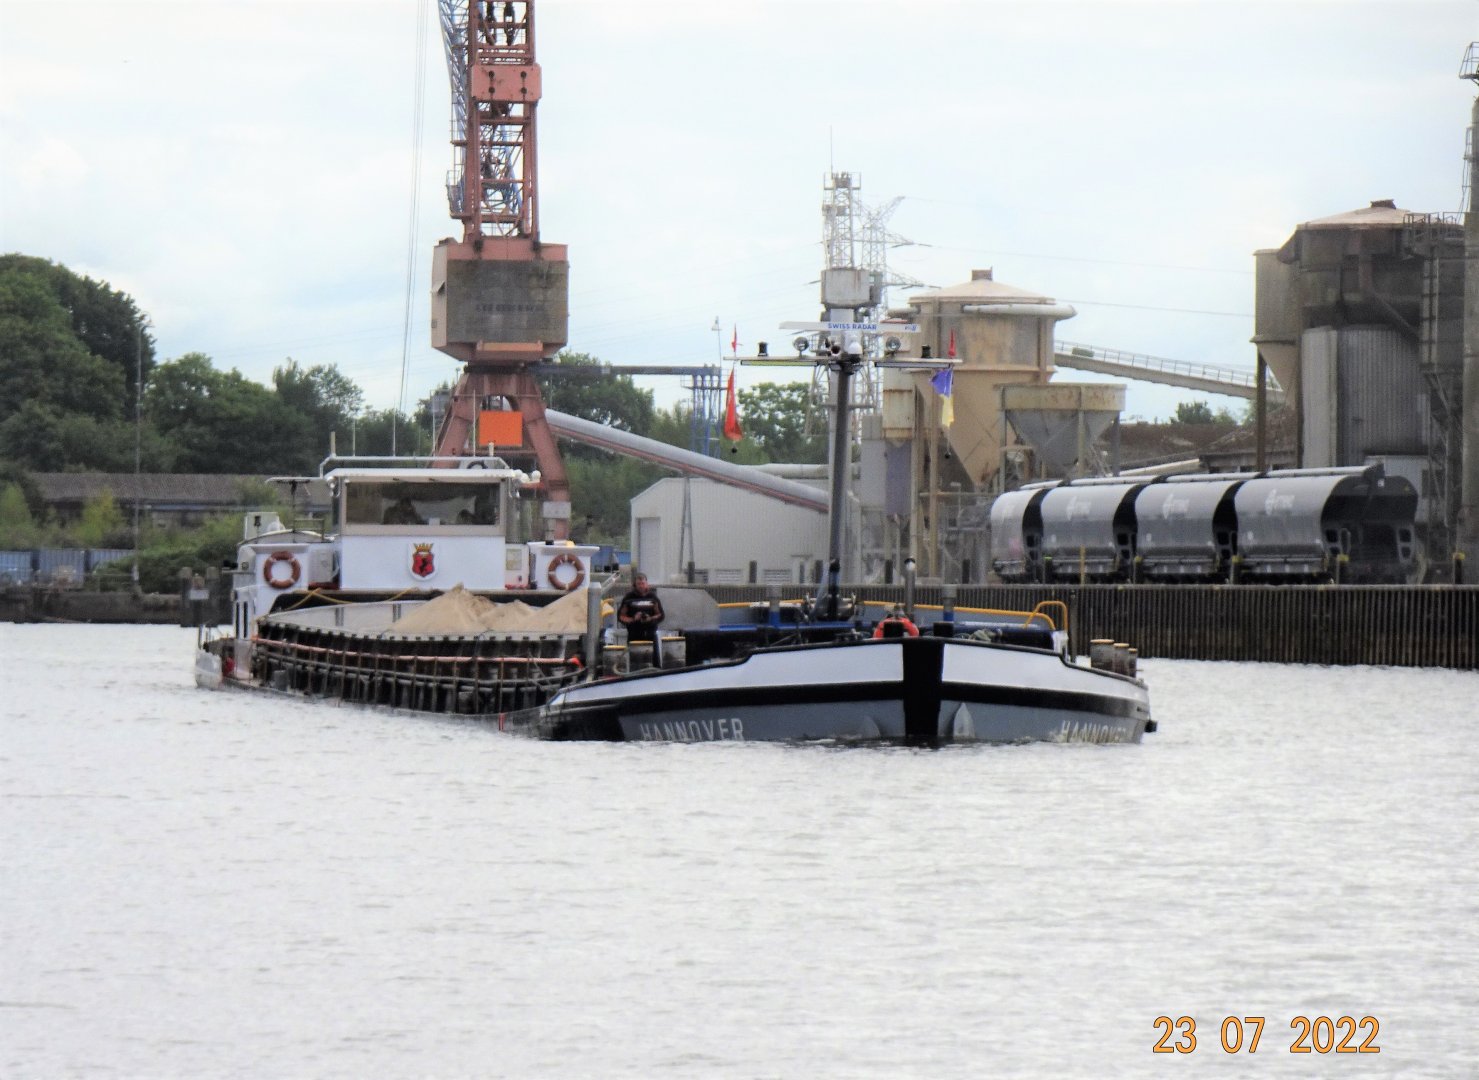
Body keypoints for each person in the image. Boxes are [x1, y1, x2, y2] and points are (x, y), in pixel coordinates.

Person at [618, 572, 665, 662]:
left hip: (650, 635)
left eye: (643, 583)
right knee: (635, 662)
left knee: (653, 662)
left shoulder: (653, 598)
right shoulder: (628, 598)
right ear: (635, 585)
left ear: (646, 584)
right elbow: (621, 616)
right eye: (639, 584)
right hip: (634, 635)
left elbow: (661, 615)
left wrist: (650, 619)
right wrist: (633, 619)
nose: (641, 586)